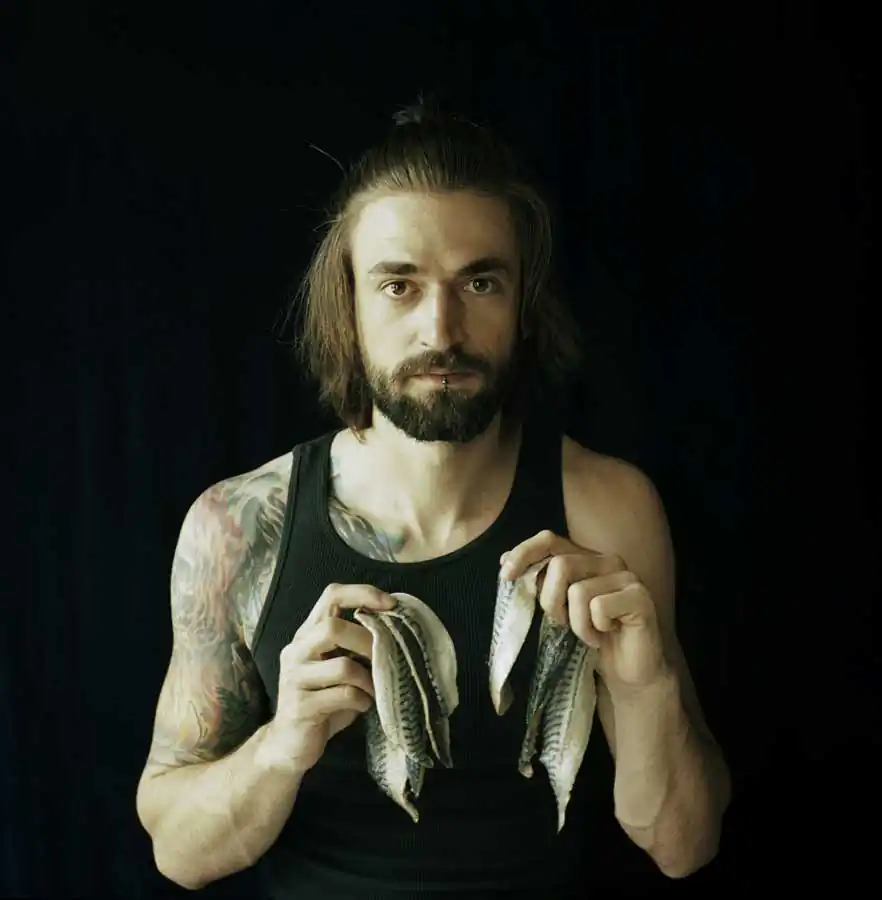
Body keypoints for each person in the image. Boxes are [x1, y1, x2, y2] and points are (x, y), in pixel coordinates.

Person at [135, 101, 731, 898]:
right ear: (348, 306)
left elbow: (684, 845)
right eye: (399, 286)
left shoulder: (608, 509)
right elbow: (179, 855)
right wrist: (282, 746)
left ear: (523, 304)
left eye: (479, 282)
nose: (441, 330)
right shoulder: (236, 527)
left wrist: (643, 688)